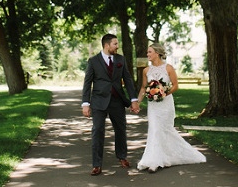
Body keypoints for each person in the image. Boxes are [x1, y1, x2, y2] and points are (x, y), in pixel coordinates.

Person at [137, 43, 206, 173]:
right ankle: (154, 161)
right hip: (153, 106)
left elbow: (175, 86)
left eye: (149, 52)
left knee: (165, 130)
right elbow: (143, 88)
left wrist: (163, 93)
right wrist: (137, 102)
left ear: (157, 53)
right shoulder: (146, 70)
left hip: (166, 104)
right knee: (155, 130)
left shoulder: (168, 68)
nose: (147, 55)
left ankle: (164, 158)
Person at [82, 34, 139, 176]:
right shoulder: (93, 61)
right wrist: (85, 103)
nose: (117, 46)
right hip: (98, 102)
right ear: (107, 45)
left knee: (121, 129)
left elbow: (128, 79)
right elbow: (87, 83)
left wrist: (133, 99)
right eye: (115, 44)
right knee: (97, 131)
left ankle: (122, 156)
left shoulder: (120, 59)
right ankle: (97, 165)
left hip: (117, 101)